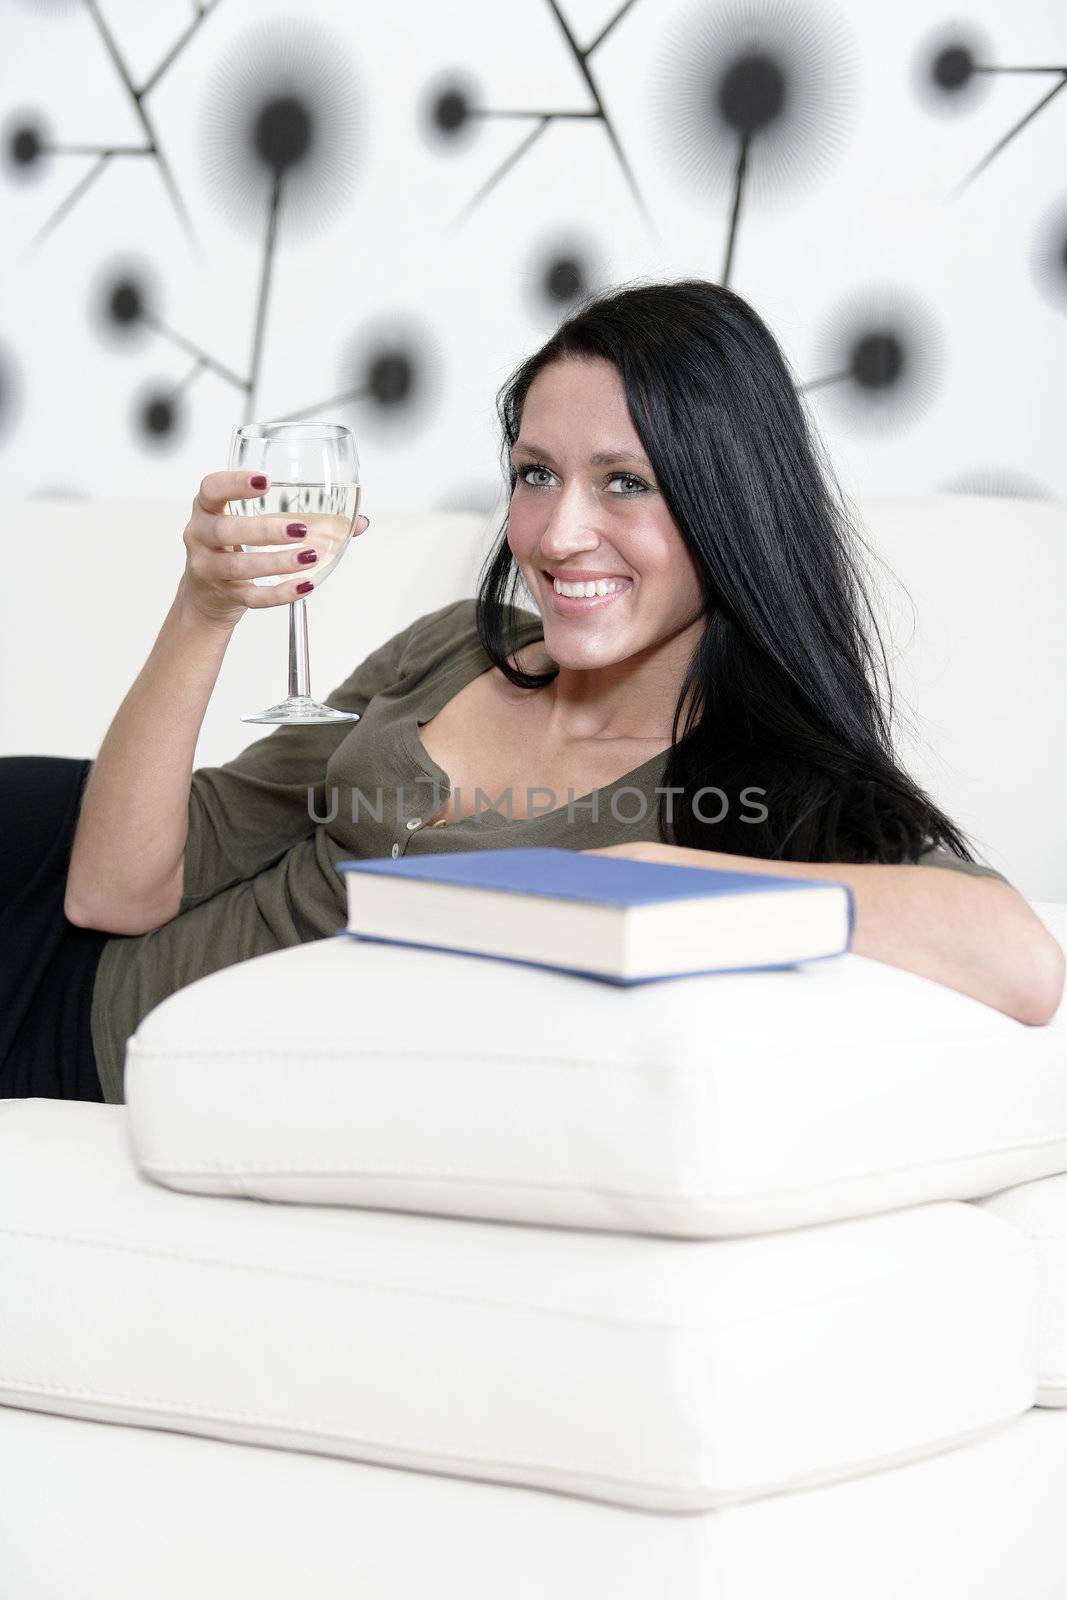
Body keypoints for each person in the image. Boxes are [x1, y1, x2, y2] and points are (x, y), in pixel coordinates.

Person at [2, 279, 1062, 1106]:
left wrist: (662, 875)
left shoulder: (757, 786)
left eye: (625, 483)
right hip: (41, 884)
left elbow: (1017, 960)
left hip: (100, 1048)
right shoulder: (455, 651)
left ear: (729, 508)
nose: (557, 535)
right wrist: (204, 606)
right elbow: (115, 889)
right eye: (534, 472)